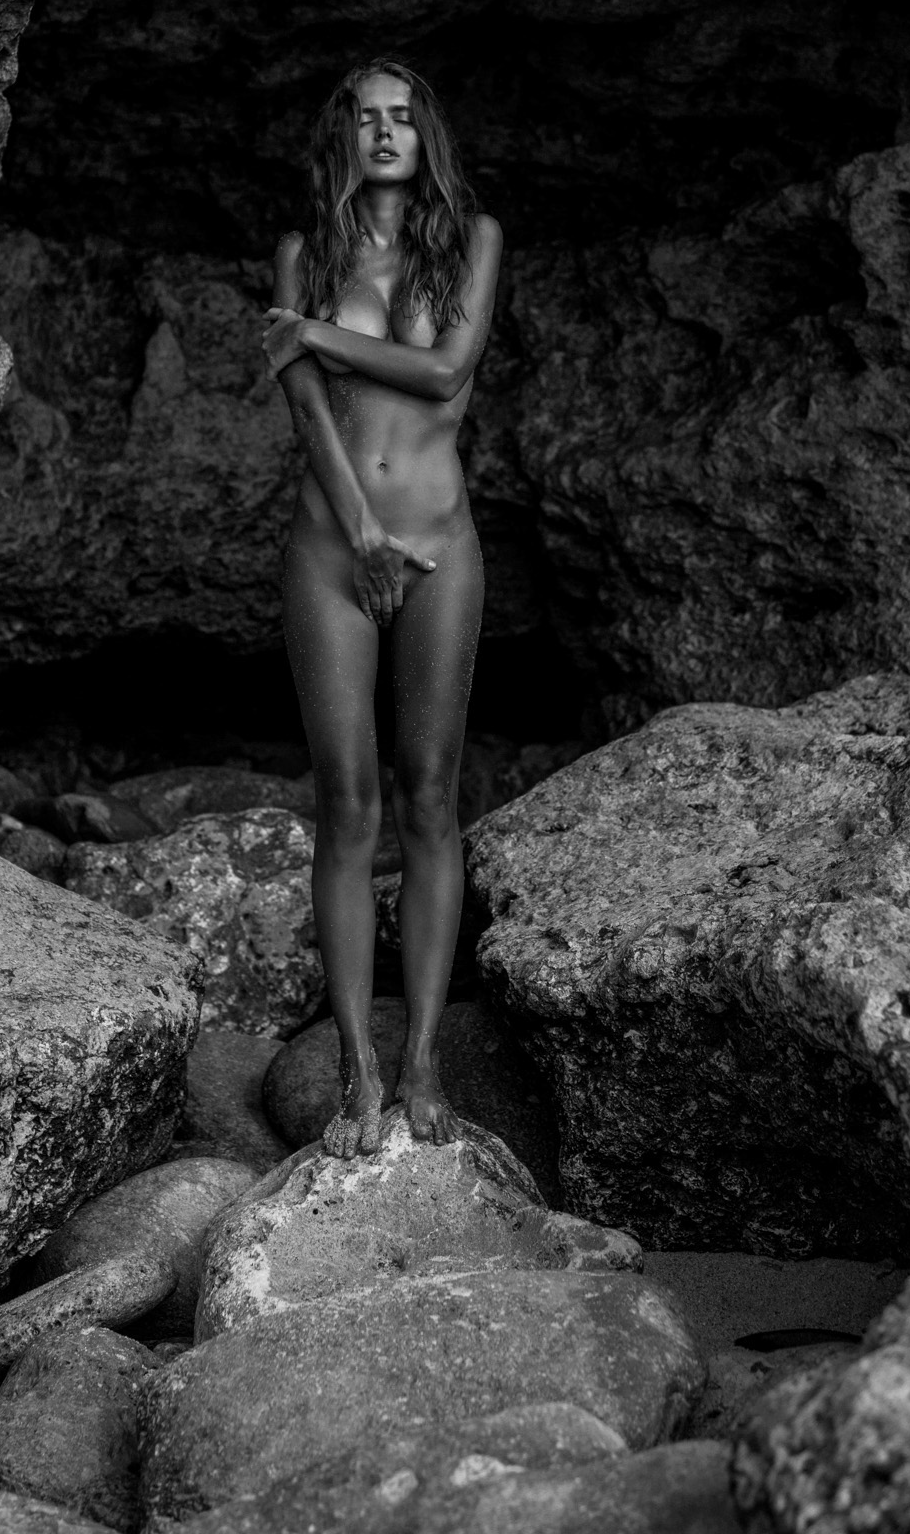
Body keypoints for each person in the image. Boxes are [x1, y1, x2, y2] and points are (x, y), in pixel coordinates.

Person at [261, 57, 502, 1157]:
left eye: (403, 115)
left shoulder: (473, 241)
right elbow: (309, 418)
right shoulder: (303, 254)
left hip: (441, 543)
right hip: (332, 548)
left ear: (425, 133)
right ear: (343, 138)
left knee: (430, 796)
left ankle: (423, 1063)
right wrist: (360, 531)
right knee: (348, 801)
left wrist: (313, 331)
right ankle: (358, 1069)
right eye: (365, 118)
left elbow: (447, 373)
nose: (386, 132)